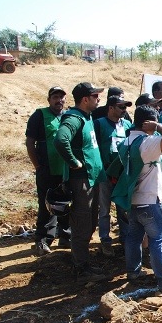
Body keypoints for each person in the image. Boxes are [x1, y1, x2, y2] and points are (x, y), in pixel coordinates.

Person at [111, 105, 162, 292]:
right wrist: (159, 127)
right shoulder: (148, 143)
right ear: (148, 123)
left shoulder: (126, 142)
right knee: (158, 240)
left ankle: (133, 271)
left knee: (133, 237)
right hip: (152, 199)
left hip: (134, 200)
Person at [54, 82, 109, 283]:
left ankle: (83, 262)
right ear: (85, 99)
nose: (98, 99)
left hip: (91, 179)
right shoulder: (74, 118)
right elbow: (61, 140)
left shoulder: (86, 117)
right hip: (81, 182)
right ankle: (81, 269)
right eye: (95, 96)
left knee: (89, 222)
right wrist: (73, 162)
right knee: (82, 224)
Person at [25, 86, 71, 256]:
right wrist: (37, 166)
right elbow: (30, 143)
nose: (59, 100)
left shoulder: (68, 116)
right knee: (47, 204)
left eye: (62, 97)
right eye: (55, 97)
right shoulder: (39, 115)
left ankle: (66, 236)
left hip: (66, 170)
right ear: (49, 99)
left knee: (67, 203)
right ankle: (43, 240)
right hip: (46, 169)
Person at [94, 95, 133, 257]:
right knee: (104, 209)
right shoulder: (100, 124)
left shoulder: (128, 125)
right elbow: (93, 147)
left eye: (125, 107)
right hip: (105, 174)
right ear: (110, 108)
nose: (124, 110)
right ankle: (105, 240)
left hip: (122, 175)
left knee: (123, 207)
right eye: (121, 107)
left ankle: (125, 238)